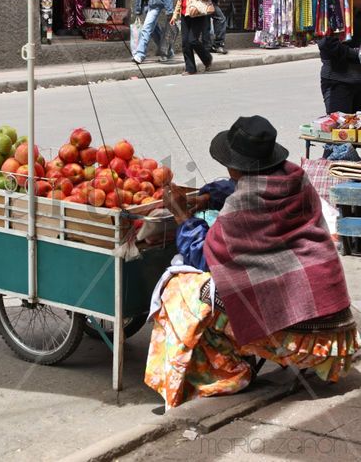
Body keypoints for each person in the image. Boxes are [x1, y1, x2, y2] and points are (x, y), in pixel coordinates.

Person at [145, 115, 359, 409]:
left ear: (238, 165)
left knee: (182, 290)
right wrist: (207, 197)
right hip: (337, 327)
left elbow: (206, 255)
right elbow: (242, 188)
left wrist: (182, 215)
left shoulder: (245, 204)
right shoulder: (294, 176)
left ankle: (226, 372)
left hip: (307, 338)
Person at [318, 0, 361, 113]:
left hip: (358, 81)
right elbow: (327, 44)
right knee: (340, 129)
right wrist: (356, 54)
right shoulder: (334, 12)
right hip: (338, 81)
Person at [171, 0, 214, 75]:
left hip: (197, 13)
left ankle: (207, 58)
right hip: (185, 14)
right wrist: (175, 16)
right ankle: (190, 68)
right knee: (185, 43)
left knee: (193, 40)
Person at [132, 0, 174, 64]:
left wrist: (169, 10)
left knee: (146, 28)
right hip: (145, 5)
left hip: (155, 5)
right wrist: (138, 9)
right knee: (154, 31)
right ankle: (168, 52)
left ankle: (140, 54)